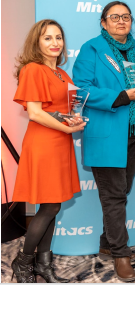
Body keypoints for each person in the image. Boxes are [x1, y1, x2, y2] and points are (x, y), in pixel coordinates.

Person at [72, 1, 135, 282]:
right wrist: (122, 96)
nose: (121, 21)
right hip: (107, 133)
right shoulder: (91, 49)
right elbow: (81, 90)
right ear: (103, 22)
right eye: (115, 17)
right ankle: (121, 254)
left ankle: (106, 243)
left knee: (121, 191)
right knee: (114, 196)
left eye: (126, 17)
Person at [10, 19, 86, 283]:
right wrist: (66, 127)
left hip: (60, 142)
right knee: (51, 204)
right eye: (47, 38)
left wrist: (72, 119)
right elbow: (34, 112)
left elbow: (60, 110)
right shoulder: (33, 69)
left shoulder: (62, 74)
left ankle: (43, 264)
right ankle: (23, 262)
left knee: (52, 205)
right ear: (37, 42)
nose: (55, 43)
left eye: (58, 37)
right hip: (43, 143)